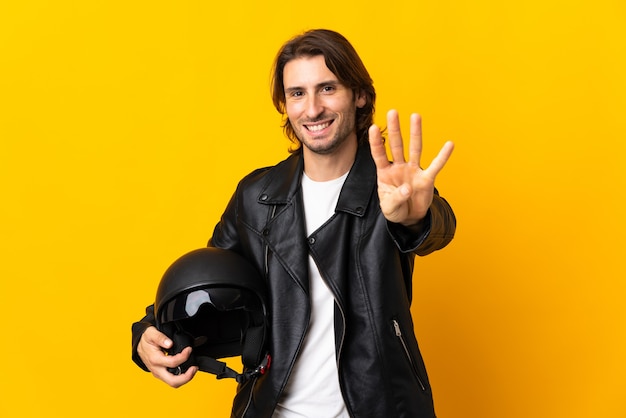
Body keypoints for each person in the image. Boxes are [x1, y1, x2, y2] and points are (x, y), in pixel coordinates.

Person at [132, 29, 456, 418]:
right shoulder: (256, 196)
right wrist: (149, 331)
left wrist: (414, 218)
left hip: (382, 405)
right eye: (297, 93)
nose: (312, 108)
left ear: (360, 95)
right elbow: (211, 282)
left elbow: (438, 226)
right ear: (285, 104)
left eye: (328, 88)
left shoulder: (392, 188)